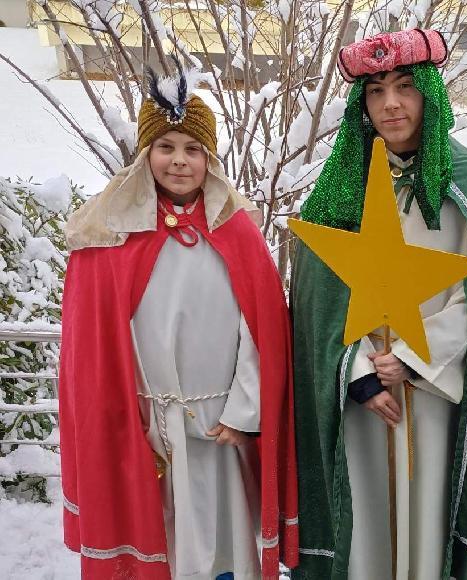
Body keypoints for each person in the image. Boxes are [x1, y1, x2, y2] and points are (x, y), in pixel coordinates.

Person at [290, 29, 467, 579]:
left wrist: (417, 358)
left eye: (404, 87)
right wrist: (359, 372)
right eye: (374, 91)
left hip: (437, 388)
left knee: (429, 513)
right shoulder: (339, 187)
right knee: (364, 519)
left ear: (429, 96)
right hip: (361, 398)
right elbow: (314, 300)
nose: (390, 104)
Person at [58, 63, 298, 580]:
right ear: (146, 154)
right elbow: (92, 347)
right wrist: (128, 416)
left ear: (209, 159)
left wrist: (243, 410)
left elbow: (263, 336)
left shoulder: (237, 233)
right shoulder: (108, 236)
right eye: (165, 147)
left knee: (222, 543)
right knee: (157, 539)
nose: (179, 161)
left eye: (193, 149)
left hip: (219, 428)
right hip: (143, 425)